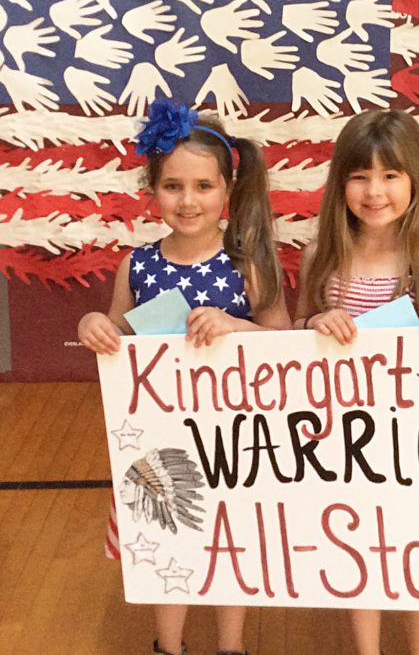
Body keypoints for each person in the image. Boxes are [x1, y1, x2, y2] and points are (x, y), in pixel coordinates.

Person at [78, 98, 291, 655]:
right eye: (173, 186)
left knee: (230, 540)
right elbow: (117, 331)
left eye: (202, 186)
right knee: (164, 539)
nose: (188, 200)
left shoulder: (250, 262)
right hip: (160, 437)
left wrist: (235, 326)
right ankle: (167, 645)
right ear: (152, 189)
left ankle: (231, 646)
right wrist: (93, 322)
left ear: (227, 190)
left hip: (235, 436)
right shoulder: (138, 264)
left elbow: (286, 342)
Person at [294, 109, 419, 655]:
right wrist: (314, 322)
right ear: (340, 181)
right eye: (359, 175)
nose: (374, 191)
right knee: (361, 549)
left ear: (417, 181)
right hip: (341, 438)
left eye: (391, 175)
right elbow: (292, 332)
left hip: (414, 440)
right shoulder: (319, 256)